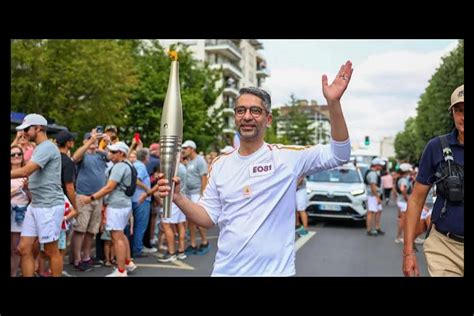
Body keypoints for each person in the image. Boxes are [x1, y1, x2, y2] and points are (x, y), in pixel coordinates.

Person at [157, 61, 353, 276]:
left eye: (255, 111)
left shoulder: (287, 157)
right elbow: (207, 217)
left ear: (268, 119)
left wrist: (333, 103)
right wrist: (178, 197)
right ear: (235, 117)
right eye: (241, 111)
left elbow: (339, 154)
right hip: (226, 271)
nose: (247, 116)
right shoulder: (220, 165)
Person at [403, 84, 464, 277]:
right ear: (452, 113)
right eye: (459, 110)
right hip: (444, 248)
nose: (463, 116)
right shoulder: (436, 147)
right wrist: (408, 252)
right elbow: (416, 199)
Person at [11, 114, 65, 277]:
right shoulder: (39, 148)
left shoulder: (47, 147)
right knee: (23, 248)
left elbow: (27, 170)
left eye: (27, 129)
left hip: (49, 205)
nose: (24, 133)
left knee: (50, 250)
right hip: (36, 205)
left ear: (39, 128)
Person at [79, 141, 137, 277]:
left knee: (116, 238)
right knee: (121, 235)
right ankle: (128, 262)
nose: (109, 153)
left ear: (121, 154)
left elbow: (109, 187)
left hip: (116, 205)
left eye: (113, 151)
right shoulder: (128, 164)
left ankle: (121, 271)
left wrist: (91, 198)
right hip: (124, 204)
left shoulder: (119, 167)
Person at [181, 139, 210, 256]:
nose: (183, 150)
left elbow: (204, 178)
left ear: (192, 149)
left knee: (198, 220)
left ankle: (205, 242)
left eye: (185, 148)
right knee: (190, 220)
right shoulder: (188, 161)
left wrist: (203, 194)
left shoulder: (200, 161)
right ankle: (193, 244)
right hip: (188, 193)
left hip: (196, 193)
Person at [10, 146, 32, 277]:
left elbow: (32, 199)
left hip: (20, 214)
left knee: (15, 249)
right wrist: (17, 189)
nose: (16, 156)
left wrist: (28, 188)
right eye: (13, 155)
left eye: (19, 154)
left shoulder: (27, 174)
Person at [365, 158, 385, 236]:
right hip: (373, 196)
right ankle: (369, 229)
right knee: (371, 212)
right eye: (380, 165)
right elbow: (373, 186)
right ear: (376, 165)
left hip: (374, 195)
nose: (382, 167)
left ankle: (377, 228)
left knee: (378, 211)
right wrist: (377, 197)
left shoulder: (373, 172)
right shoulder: (372, 174)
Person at [394, 163, 413, 243]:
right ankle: (399, 237)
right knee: (403, 220)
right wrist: (407, 199)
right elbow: (402, 189)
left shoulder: (401, 178)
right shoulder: (404, 180)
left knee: (402, 219)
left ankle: (400, 236)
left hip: (401, 201)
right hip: (403, 202)